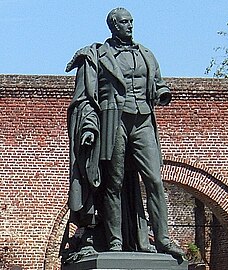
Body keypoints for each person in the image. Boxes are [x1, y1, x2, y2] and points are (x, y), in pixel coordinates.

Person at [65, 7, 185, 262]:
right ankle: (115, 241)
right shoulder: (98, 56)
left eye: (131, 21)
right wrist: (88, 127)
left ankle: (163, 239)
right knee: (114, 182)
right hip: (114, 121)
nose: (129, 26)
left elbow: (157, 84)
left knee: (154, 179)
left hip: (142, 121)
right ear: (113, 26)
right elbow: (87, 97)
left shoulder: (146, 54)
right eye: (124, 22)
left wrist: (162, 93)